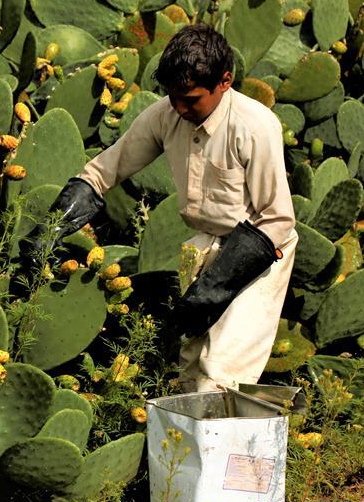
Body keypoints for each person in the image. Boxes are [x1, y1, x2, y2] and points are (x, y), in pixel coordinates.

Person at [24, 24, 298, 392]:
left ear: (225, 81)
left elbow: (278, 218)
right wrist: (52, 227)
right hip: (205, 242)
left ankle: (229, 450)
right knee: (189, 372)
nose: (181, 109)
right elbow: (106, 170)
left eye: (191, 99)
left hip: (261, 250)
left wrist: (215, 287)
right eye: (173, 98)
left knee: (220, 374)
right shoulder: (165, 115)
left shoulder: (254, 125)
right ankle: (187, 450)